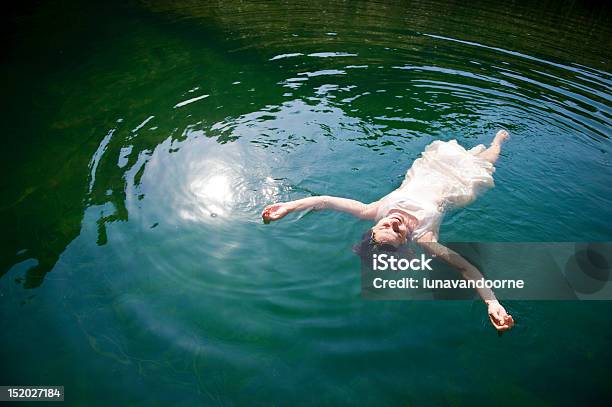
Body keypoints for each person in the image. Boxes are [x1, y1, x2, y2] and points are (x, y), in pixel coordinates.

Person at [262, 130, 515, 332]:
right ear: (406, 240)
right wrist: (493, 303)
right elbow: (465, 268)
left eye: (385, 225)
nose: (393, 221)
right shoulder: (425, 238)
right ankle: (498, 141)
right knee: (486, 160)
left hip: (433, 167)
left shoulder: (374, 210)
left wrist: (287, 207)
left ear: (374, 226)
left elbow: (326, 201)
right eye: (397, 229)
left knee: (458, 152)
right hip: (457, 185)